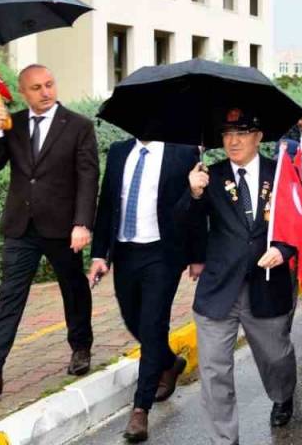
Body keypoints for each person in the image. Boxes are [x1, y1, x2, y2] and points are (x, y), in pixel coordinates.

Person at [0, 65, 98, 396]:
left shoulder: (79, 126)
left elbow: (88, 178)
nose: (46, 92)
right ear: (23, 92)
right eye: (36, 87)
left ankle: (80, 348)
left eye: (50, 84)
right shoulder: (13, 124)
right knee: (10, 294)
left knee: (73, 288)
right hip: (20, 226)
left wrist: (83, 223)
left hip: (64, 227)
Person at [177, 108, 298, 445]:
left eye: (242, 132)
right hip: (219, 288)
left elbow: (298, 221)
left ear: (258, 136)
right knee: (215, 372)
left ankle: (283, 393)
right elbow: (184, 226)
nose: (233, 140)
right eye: (227, 133)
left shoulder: (281, 174)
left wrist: (285, 251)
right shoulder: (208, 176)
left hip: (267, 284)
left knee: (276, 358)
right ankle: (224, 440)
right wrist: (194, 194)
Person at [88, 138, 198, 442]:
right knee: (132, 318)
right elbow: (107, 204)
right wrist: (100, 255)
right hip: (125, 251)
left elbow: (194, 209)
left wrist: (197, 255)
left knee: (152, 324)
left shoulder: (183, 152)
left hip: (163, 253)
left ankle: (140, 409)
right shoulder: (120, 151)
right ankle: (168, 362)